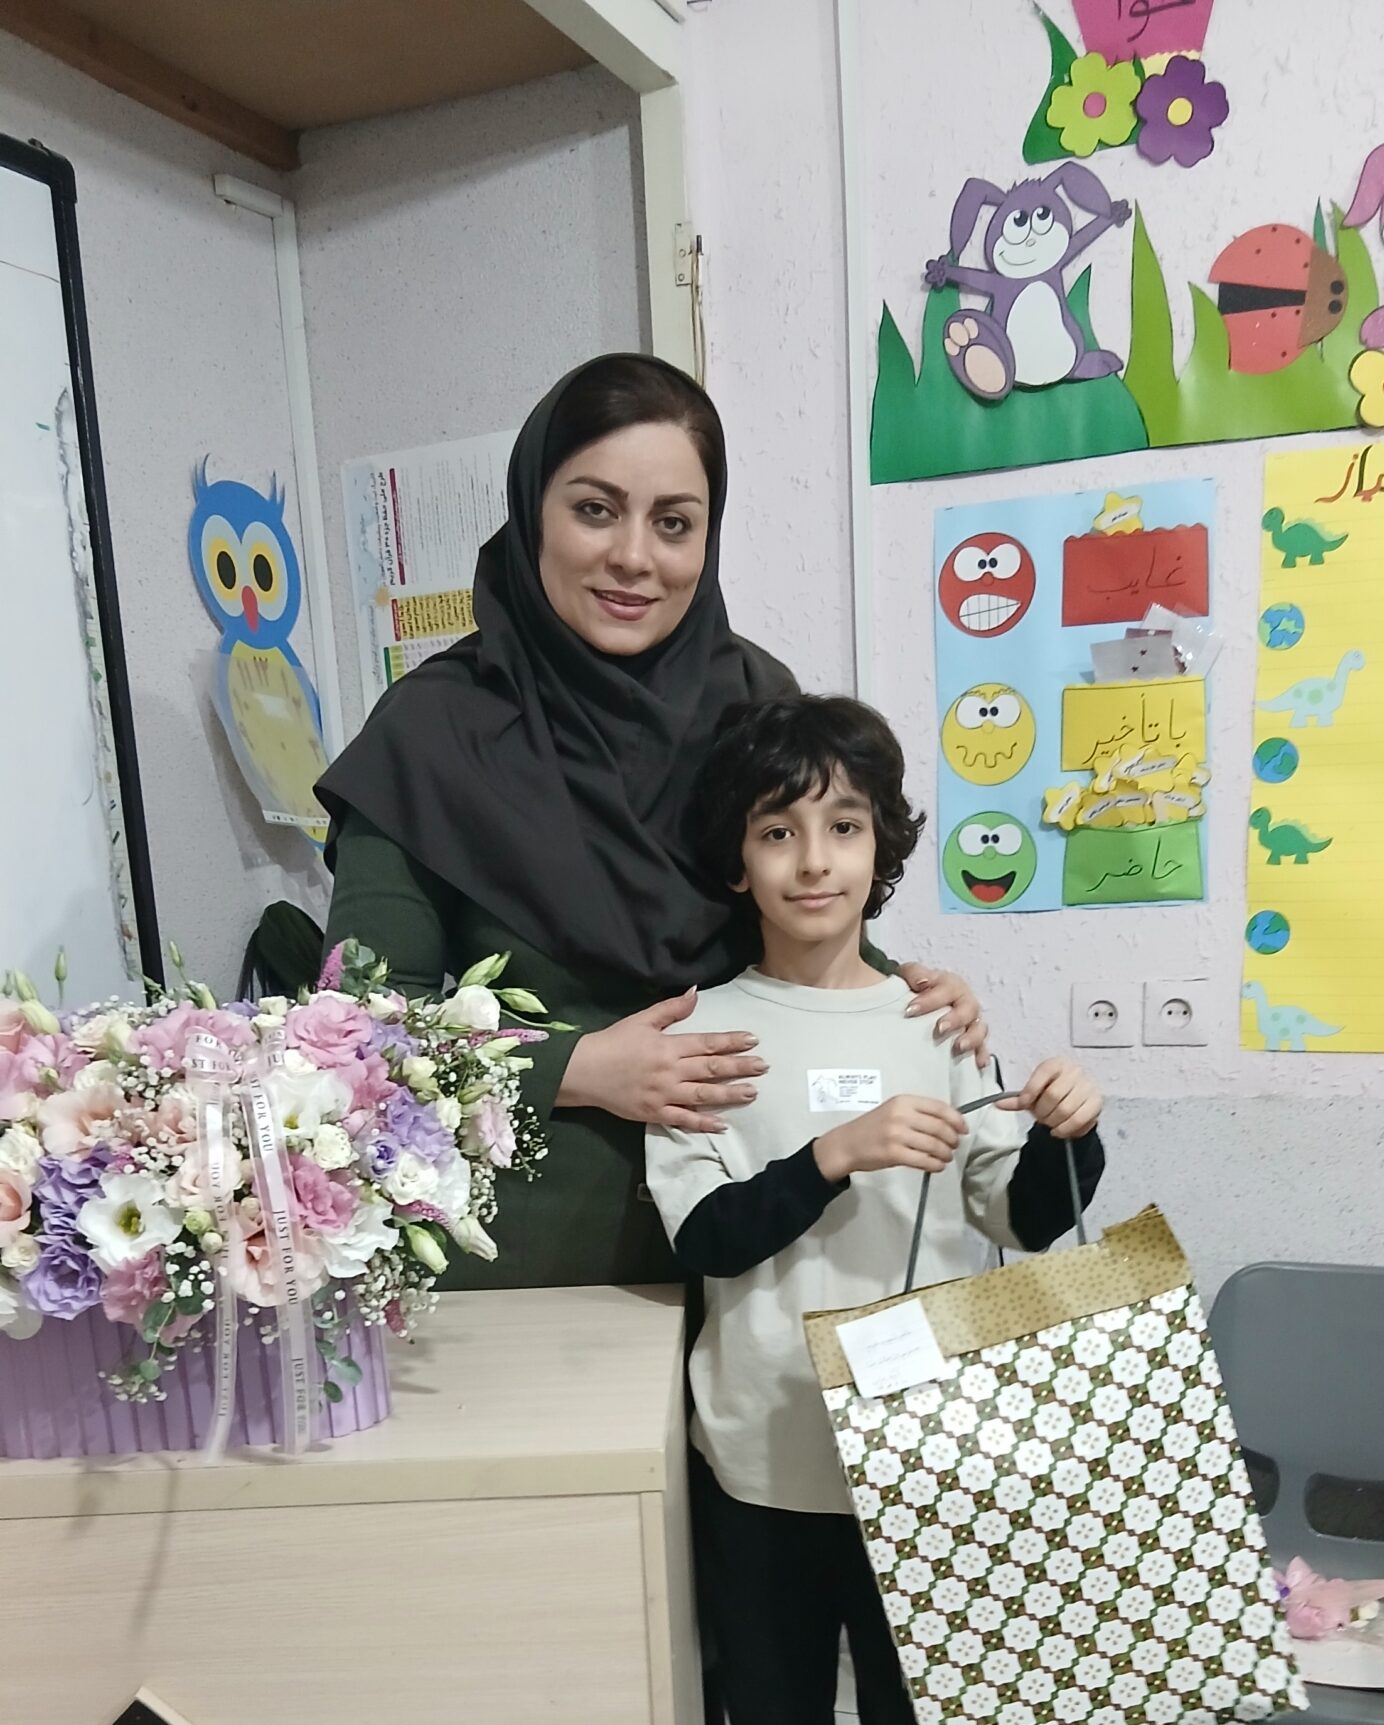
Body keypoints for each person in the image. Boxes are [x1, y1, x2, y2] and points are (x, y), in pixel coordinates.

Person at [317, 354, 987, 1288]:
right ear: (533, 512)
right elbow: (356, 1033)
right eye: (595, 509)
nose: (634, 556)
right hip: (527, 1263)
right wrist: (576, 1067)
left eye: (673, 523)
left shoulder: (752, 699)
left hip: (760, 1254)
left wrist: (907, 997)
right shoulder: (429, 735)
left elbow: (799, 917)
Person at [645, 696, 1107, 1725]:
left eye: (843, 827)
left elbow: (1024, 1220)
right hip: (762, 1443)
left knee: (919, 1702)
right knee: (776, 1703)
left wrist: (1071, 1135)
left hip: (927, 1437)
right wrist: (830, 1155)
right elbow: (705, 1234)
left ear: (881, 847)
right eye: (777, 831)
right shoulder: (703, 1030)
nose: (813, 861)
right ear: (737, 859)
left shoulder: (936, 1021)